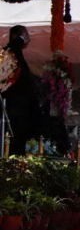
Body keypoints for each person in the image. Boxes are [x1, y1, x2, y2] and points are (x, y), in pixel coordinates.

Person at [2, 25, 41, 155]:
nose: (29, 40)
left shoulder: (11, 53)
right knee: (14, 141)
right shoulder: (11, 54)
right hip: (16, 108)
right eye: (27, 36)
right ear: (21, 37)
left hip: (17, 107)